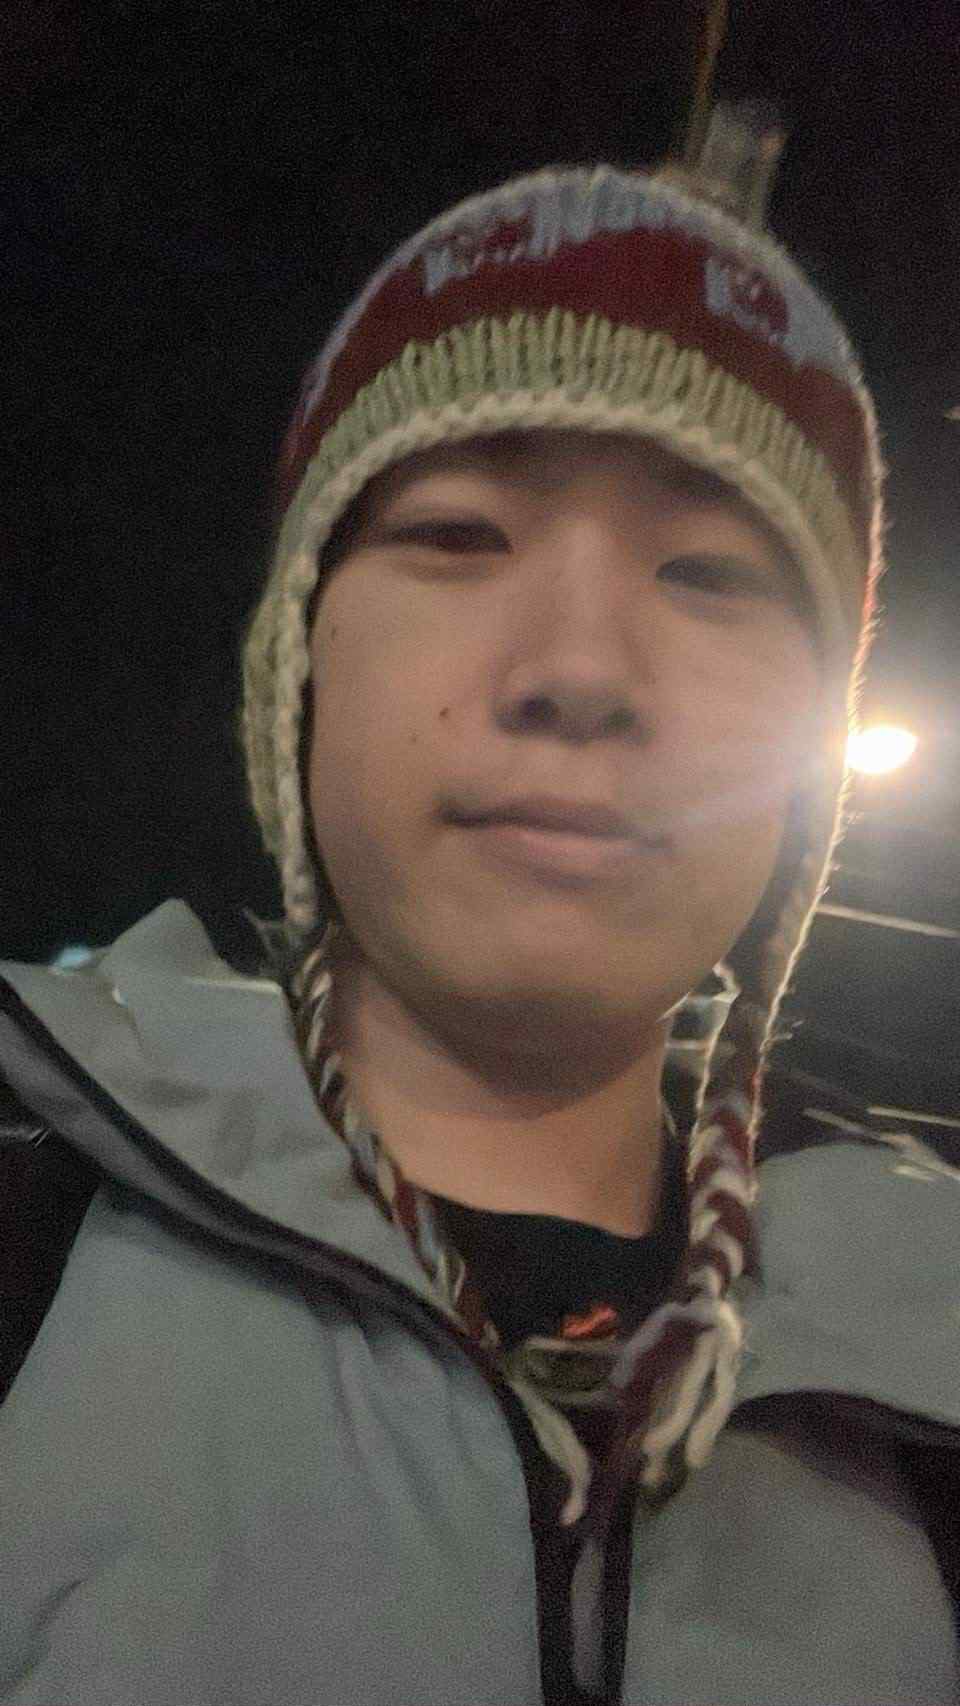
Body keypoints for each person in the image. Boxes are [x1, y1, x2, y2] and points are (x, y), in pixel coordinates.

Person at [1, 158, 959, 1706]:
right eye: (455, 533)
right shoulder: (33, 1256)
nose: (580, 668)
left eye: (711, 572)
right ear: (298, 671)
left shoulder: (934, 1364)